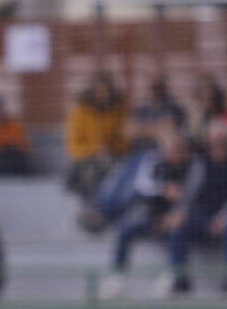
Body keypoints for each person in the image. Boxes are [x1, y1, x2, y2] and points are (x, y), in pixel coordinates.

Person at [163, 119, 227, 294]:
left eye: (222, 140)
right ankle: (181, 279)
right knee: (177, 226)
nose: (218, 145)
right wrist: (180, 212)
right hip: (204, 215)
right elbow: (189, 192)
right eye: (214, 140)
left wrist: (224, 217)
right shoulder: (201, 163)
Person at [108, 128, 192, 284]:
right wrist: (163, 189)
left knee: (177, 232)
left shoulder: (191, 167)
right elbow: (141, 185)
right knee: (124, 230)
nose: (174, 154)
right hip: (155, 216)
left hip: (181, 218)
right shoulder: (155, 161)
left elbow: (193, 195)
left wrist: (176, 214)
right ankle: (117, 277)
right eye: (170, 150)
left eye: (178, 150)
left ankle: (177, 279)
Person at [65, 73, 127, 202]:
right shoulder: (80, 111)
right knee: (90, 173)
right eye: (100, 91)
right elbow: (72, 145)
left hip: (113, 156)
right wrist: (94, 149)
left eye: (106, 92)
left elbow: (124, 138)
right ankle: (91, 205)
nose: (103, 96)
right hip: (87, 158)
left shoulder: (118, 110)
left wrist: (112, 149)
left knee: (118, 171)